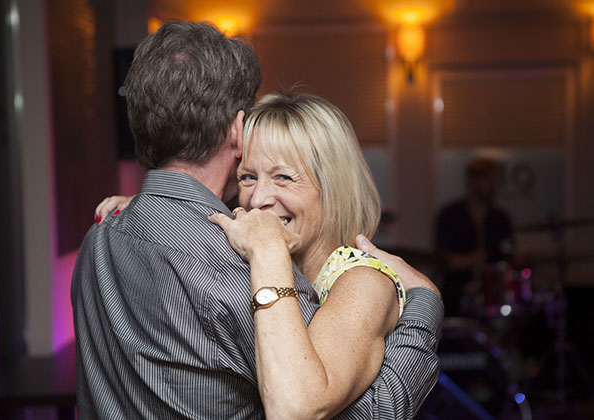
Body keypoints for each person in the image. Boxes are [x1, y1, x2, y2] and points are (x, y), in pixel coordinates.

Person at [76, 20, 442, 420]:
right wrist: (425, 302)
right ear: (236, 132)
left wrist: (153, 206)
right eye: (247, 176)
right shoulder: (240, 265)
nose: (259, 197)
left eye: (284, 176)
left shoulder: (100, 239)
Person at [435, 157, 514, 317]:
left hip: (493, 297)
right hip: (456, 296)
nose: (494, 186)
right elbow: (441, 259)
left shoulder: (500, 218)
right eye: (489, 179)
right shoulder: (450, 215)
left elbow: (508, 256)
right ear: (472, 180)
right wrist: (471, 260)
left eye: (496, 180)